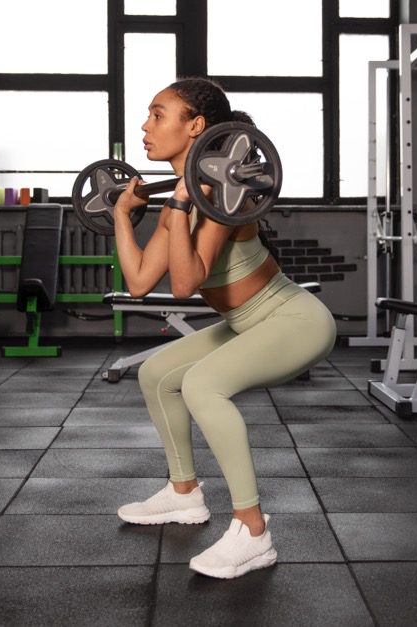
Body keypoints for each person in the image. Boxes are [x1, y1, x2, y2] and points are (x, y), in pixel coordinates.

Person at [112, 77, 336, 579]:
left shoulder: (222, 195)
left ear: (195, 126)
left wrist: (178, 204)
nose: (144, 127)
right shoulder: (183, 196)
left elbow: (187, 282)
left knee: (202, 385)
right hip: (244, 322)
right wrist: (123, 216)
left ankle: (253, 532)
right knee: (157, 374)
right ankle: (184, 492)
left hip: (294, 320)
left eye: (157, 115)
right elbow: (141, 282)